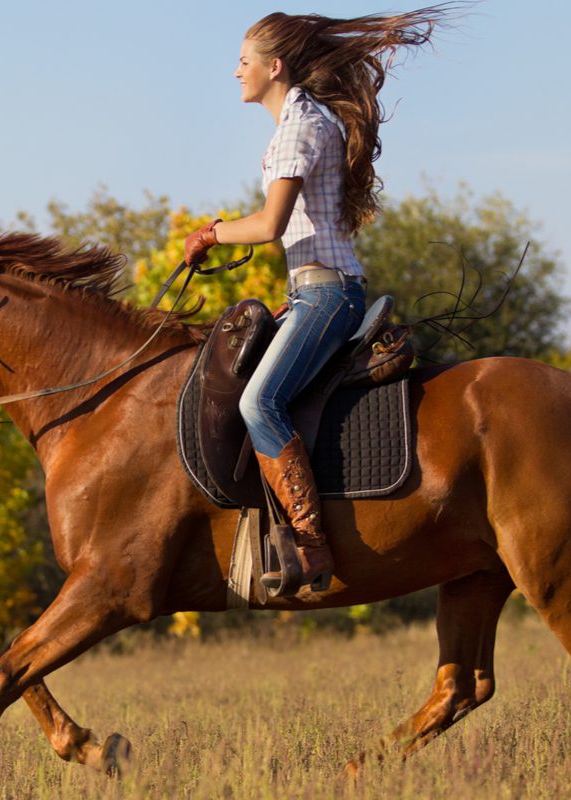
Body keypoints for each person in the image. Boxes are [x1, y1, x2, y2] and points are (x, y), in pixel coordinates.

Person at [184, 9, 450, 592]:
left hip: (326, 295)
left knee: (259, 404)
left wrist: (210, 233)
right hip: (312, 291)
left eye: (244, 61)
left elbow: (270, 225)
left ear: (273, 67)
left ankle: (310, 544)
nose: (235, 73)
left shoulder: (299, 128)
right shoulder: (305, 122)